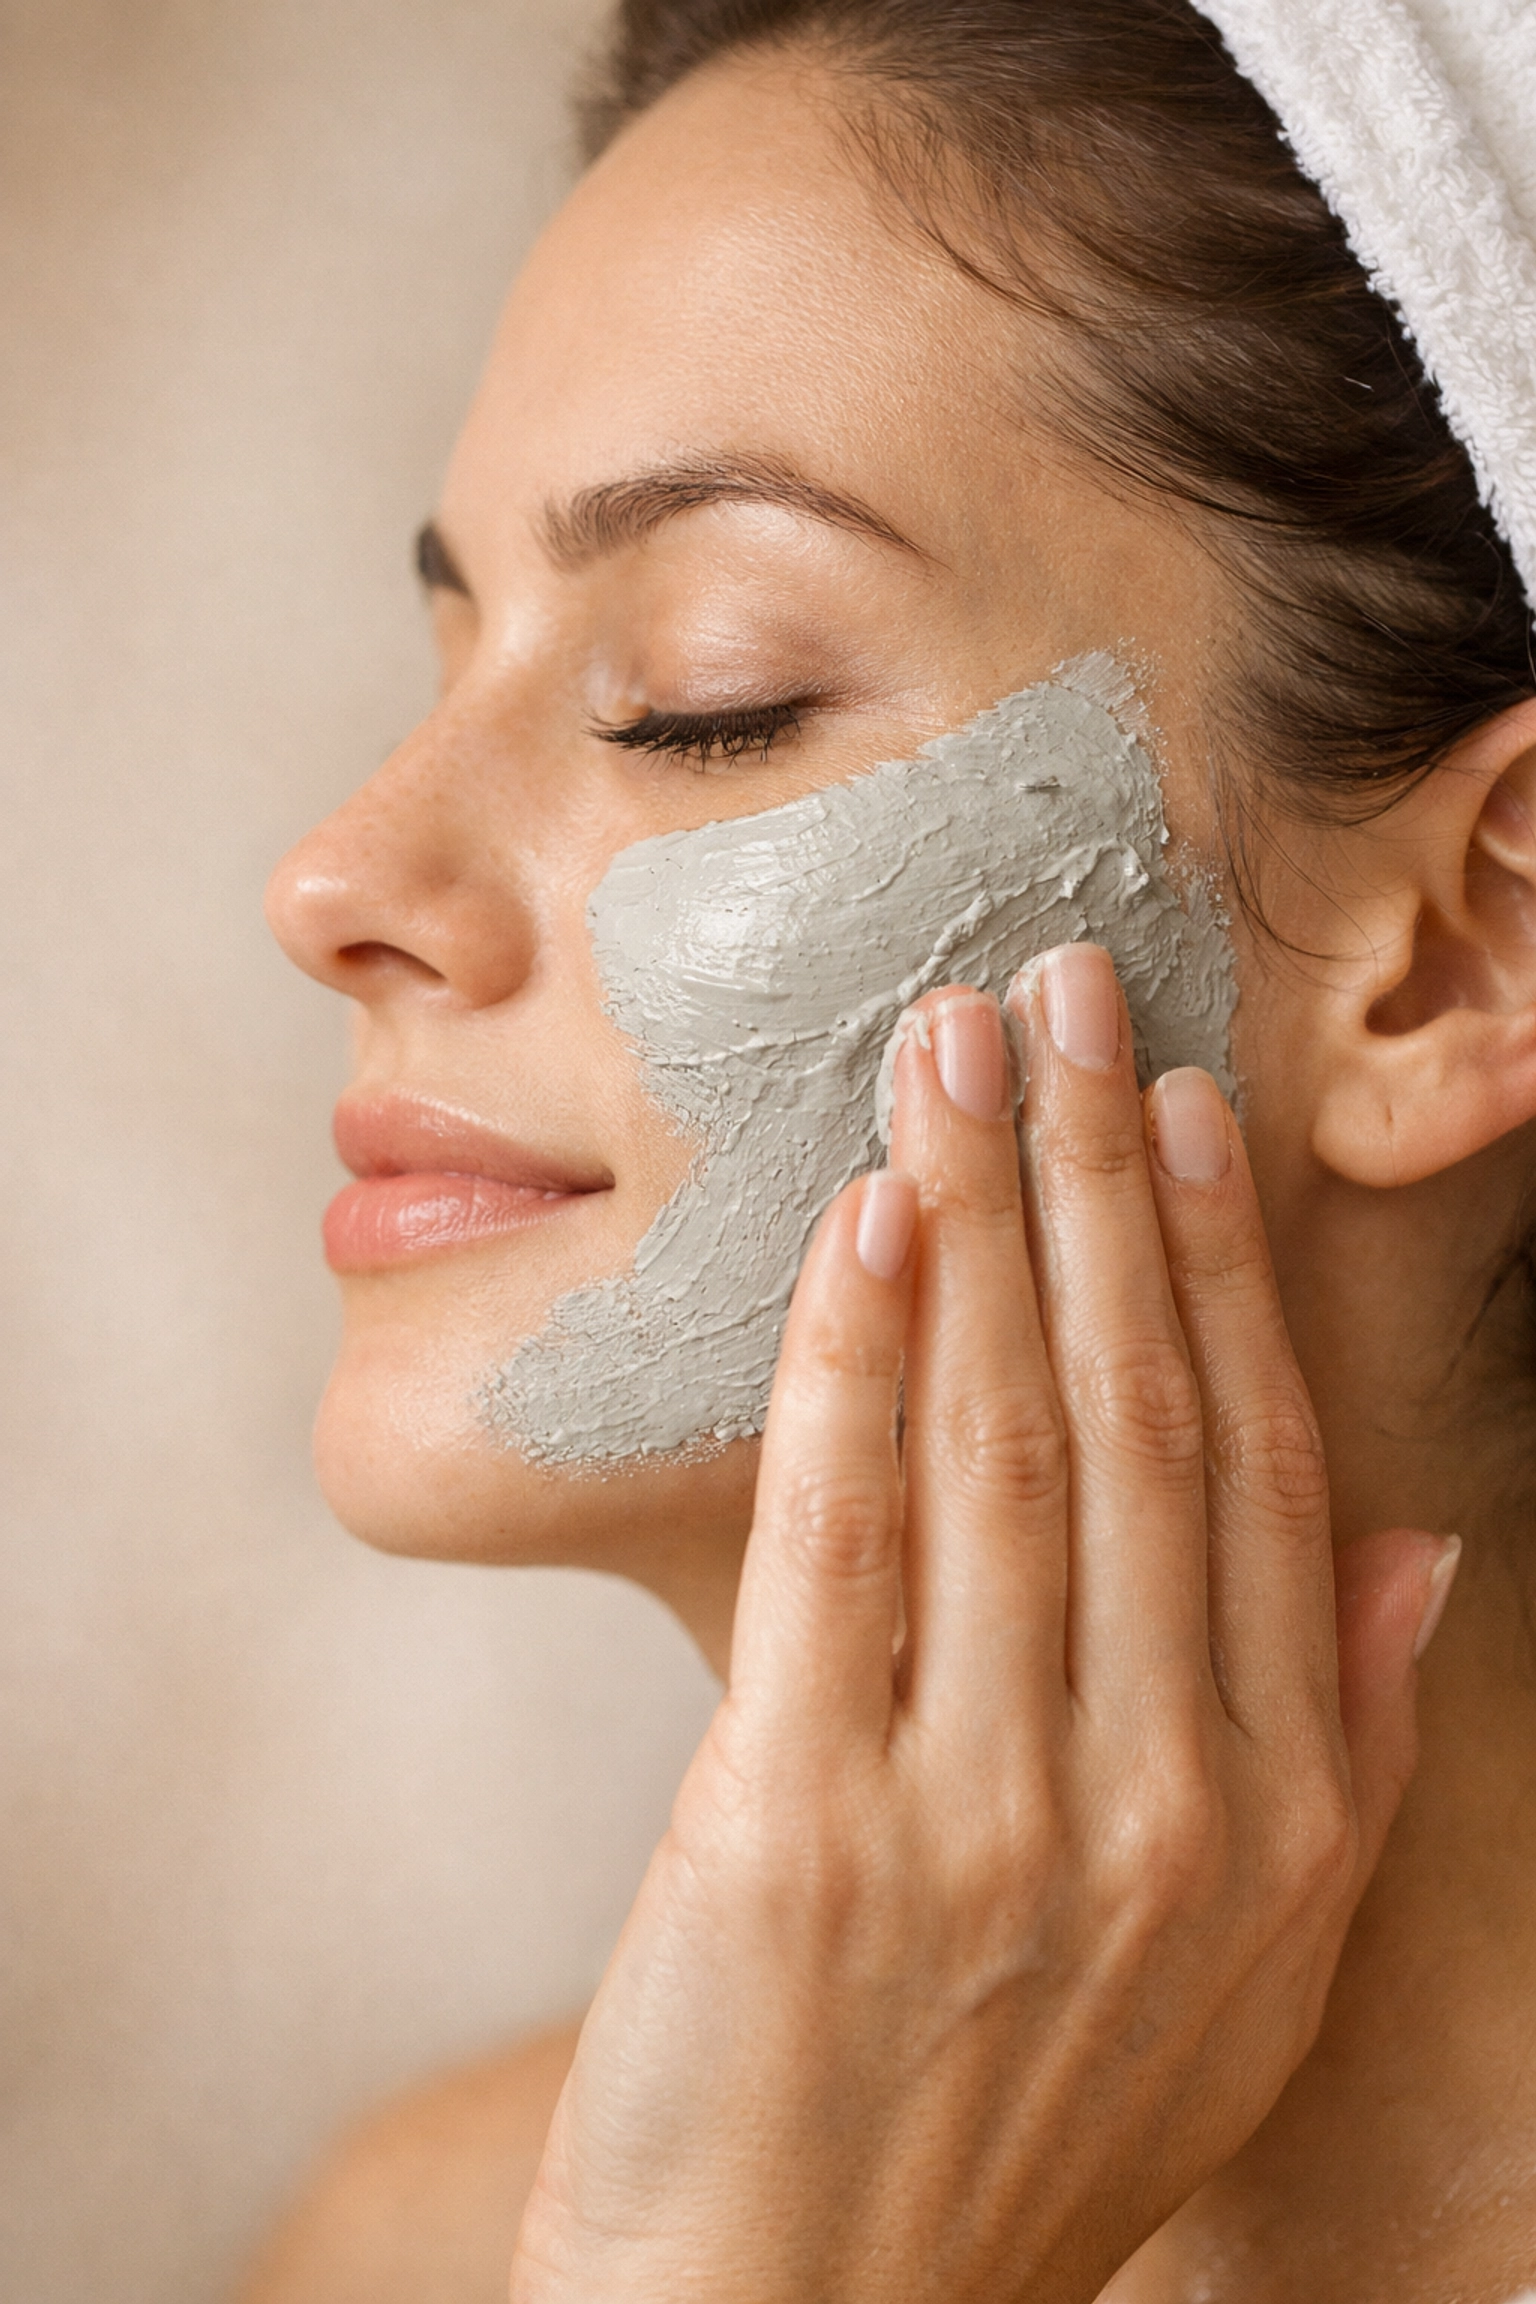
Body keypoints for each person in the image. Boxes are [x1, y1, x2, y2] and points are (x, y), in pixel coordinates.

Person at [242, 0, 1536, 2296]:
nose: (337, 878)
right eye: (449, 656)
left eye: (700, 696)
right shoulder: (425, 2245)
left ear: (1461, 953)